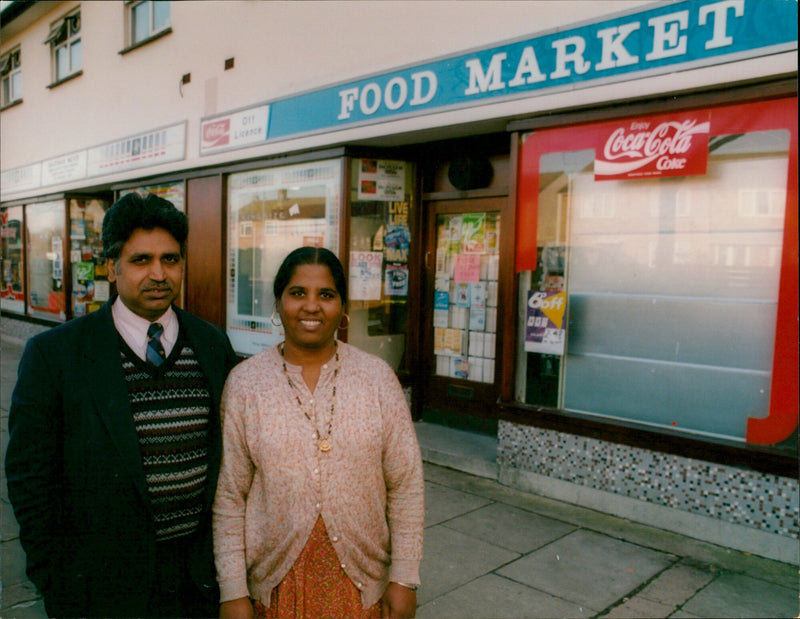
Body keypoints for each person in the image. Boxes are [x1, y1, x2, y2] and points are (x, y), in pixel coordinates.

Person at [5, 192, 239, 618]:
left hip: (197, 586)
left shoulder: (211, 345)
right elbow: (30, 480)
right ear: (112, 267)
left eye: (170, 260)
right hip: (102, 591)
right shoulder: (56, 355)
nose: (158, 274)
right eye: (141, 260)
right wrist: (56, 583)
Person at [213, 246, 424, 619]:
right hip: (275, 591)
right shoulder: (246, 384)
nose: (311, 306)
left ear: (342, 308)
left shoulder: (377, 378)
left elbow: (406, 484)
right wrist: (232, 590)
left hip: (362, 591)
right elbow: (230, 496)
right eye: (298, 293)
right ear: (278, 304)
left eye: (325, 295)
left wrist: (405, 577)